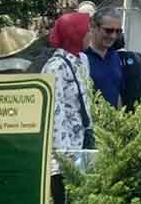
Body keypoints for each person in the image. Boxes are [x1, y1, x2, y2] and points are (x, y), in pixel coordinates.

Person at [41, 12, 94, 204]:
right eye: (87, 31)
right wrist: (66, 158)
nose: (90, 34)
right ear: (75, 33)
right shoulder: (55, 67)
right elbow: (56, 114)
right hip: (66, 158)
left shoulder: (80, 61)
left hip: (81, 152)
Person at [84, 8, 125, 109]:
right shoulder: (81, 58)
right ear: (93, 27)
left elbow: (117, 92)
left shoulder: (115, 56)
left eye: (118, 31)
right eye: (108, 30)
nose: (113, 36)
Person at [111, 33, 141, 110]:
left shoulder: (105, 60)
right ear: (124, 42)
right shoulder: (140, 58)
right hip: (136, 115)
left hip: (109, 115)